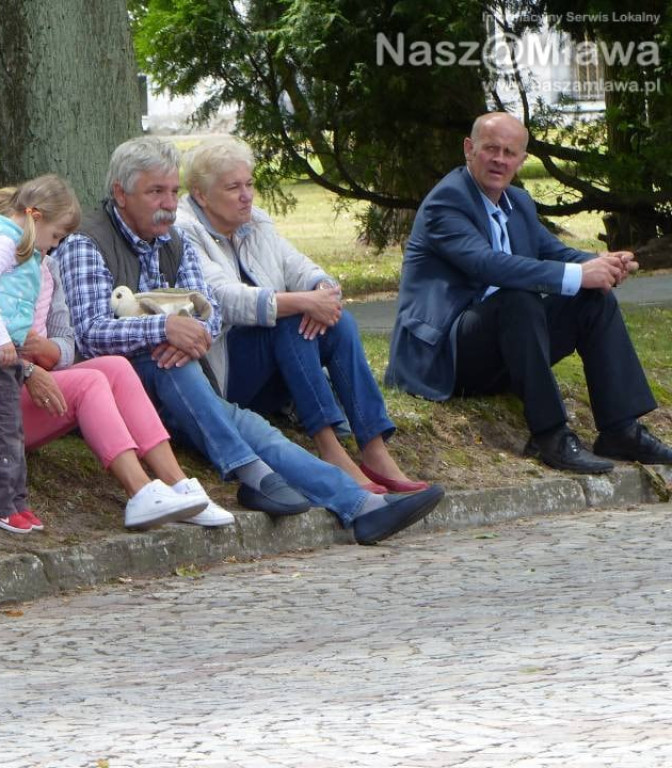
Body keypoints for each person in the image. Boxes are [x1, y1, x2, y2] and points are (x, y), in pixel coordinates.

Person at [53, 136, 445, 545]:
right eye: (155, 192)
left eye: (172, 191)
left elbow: (211, 310)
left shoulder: (174, 240)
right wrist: (164, 330)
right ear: (120, 192)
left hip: (187, 384)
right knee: (175, 369)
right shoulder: (87, 241)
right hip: (125, 394)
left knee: (257, 428)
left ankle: (363, 508)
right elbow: (88, 333)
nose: (168, 203)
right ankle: (252, 473)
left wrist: (195, 332)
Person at [0, 190, 233, 533]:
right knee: (89, 382)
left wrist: (44, 349)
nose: (45, 250)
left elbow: (67, 344)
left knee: (115, 366)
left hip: (18, 388)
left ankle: (179, 486)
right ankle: (139, 491)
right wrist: (26, 366)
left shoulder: (44, 271)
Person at [386, 111, 672, 473]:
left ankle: (620, 430)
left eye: (510, 152)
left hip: (508, 346)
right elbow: (488, 265)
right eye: (491, 149)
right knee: (518, 298)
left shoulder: (517, 202)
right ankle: (549, 435)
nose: (499, 160)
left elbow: (555, 253)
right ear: (469, 149)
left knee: (592, 300)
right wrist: (577, 274)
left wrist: (603, 263)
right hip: (447, 354)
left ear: (521, 160)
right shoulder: (447, 201)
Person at [177, 136, 429, 494]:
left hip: (275, 371)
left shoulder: (256, 223)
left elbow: (303, 268)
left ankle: (374, 449)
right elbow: (223, 298)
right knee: (291, 322)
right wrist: (301, 303)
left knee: (337, 321)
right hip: (226, 374)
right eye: (234, 187)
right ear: (201, 195)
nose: (246, 195)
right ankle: (329, 449)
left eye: (249, 184)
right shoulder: (184, 231)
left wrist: (322, 292)